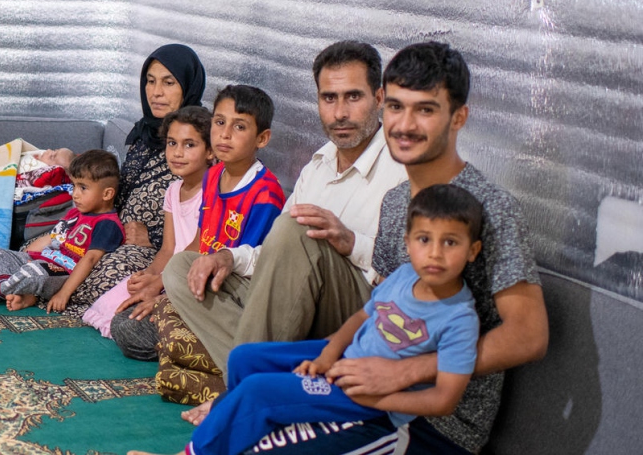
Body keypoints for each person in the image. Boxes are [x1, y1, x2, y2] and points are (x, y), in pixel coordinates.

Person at [242, 42, 549, 455]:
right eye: (397, 107)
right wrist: (335, 355)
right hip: (373, 372)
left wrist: (402, 372)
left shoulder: (490, 208)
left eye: (425, 109)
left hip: (431, 420)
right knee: (249, 364)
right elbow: (381, 303)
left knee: (264, 427)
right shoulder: (397, 199)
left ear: (458, 117)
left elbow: (529, 336)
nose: (404, 125)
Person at [154, 41, 407, 420]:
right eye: (328, 98)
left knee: (296, 230)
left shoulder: (402, 169)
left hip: (359, 307)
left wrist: (350, 242)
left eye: (353, 97)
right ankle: (269, 381)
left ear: (380, 98)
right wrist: (227, 257)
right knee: (183, 269)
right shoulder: (317, 166)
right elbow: (274, 250)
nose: (339, 113)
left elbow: (414, 274)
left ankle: (239, 395)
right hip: (296, 305)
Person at [130, 184, 483, 455]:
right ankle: (242, 431)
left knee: (258, 392)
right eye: (425, 240)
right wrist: (328, 354)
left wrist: (375, 400)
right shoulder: (405, 277)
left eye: (450, 243)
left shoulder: (459, 318)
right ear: (408, 243)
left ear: (473, 251)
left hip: (370, 396)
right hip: (345, 358)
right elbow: (363, 316)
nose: (435, 253)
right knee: (245, 357)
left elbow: (443, 401)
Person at [154, 84, 286, 404]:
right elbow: (201, 241)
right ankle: (221, 378)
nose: (225, 134)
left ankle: (246, 377)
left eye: (239, 126)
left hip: (239, 295)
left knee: (162, 326)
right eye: (219, 122)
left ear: (262, 139)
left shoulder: (265, 194)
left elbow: (249, 269)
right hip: (207, 286)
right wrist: (161, 283)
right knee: (152, 317)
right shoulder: (213, 177)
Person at [57, 44, 206, 318]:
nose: (156, 92)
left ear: (188, 86)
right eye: (150, 81)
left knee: (101, 277)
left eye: (168, 82)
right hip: (108, 229)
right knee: (52, 243)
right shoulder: (143, 134)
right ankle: (36, 279)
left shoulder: (201, 143)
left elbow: (200, 224)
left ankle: (42, 287)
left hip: (151, 253)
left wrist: (153, 239)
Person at [82, 106, 213, 344]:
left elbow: (198, 248)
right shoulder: (173, 190)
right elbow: (167, 249)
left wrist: (158, 284)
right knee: (107, 306)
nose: (177, 153)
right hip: (167, 272)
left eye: (189, 145)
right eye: (172, 143)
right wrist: (149, 275)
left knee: (130, 323)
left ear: (210, 151)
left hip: (191, 279)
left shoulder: (212, 193)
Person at [0, 149, 125, 312]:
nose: (74, 194)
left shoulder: (107, 224)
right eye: (74, 185)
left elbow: (90, 259)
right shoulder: (76, 213)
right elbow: (52, 237)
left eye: (83, 188)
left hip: (63, 271)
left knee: (34, 272)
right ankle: (17, 291)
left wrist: (64, 293)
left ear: (107, 194)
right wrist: (25, 256)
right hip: (43, 261)